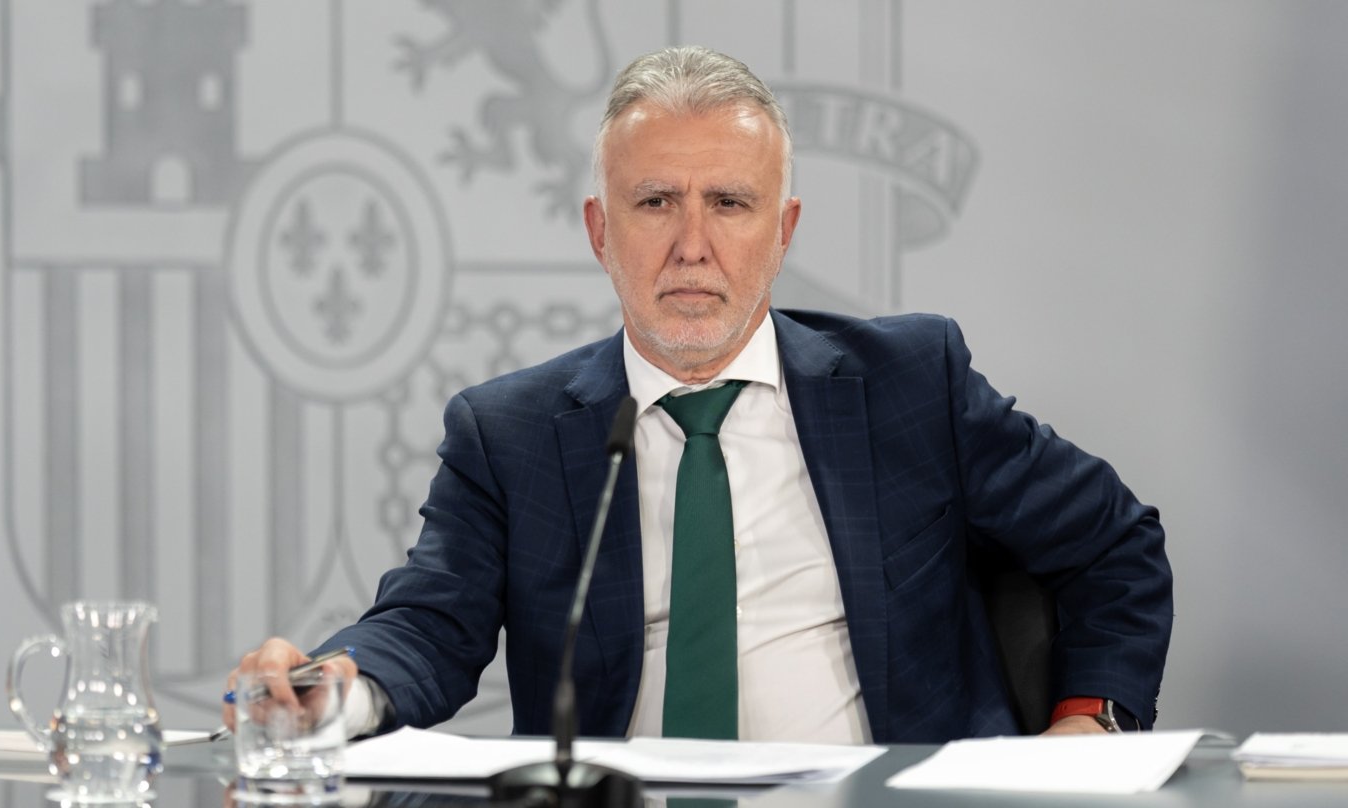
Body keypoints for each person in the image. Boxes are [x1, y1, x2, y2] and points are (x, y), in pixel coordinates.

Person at [223, 46, 1172, 744]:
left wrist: (1091, 725)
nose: (691, 245)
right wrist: (333, 690)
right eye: (654, 203)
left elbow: (1115, 543)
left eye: (728, 203)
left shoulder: (910, 385)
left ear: (783, 228)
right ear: (600, 230)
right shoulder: (509, 434)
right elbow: (429, 623)